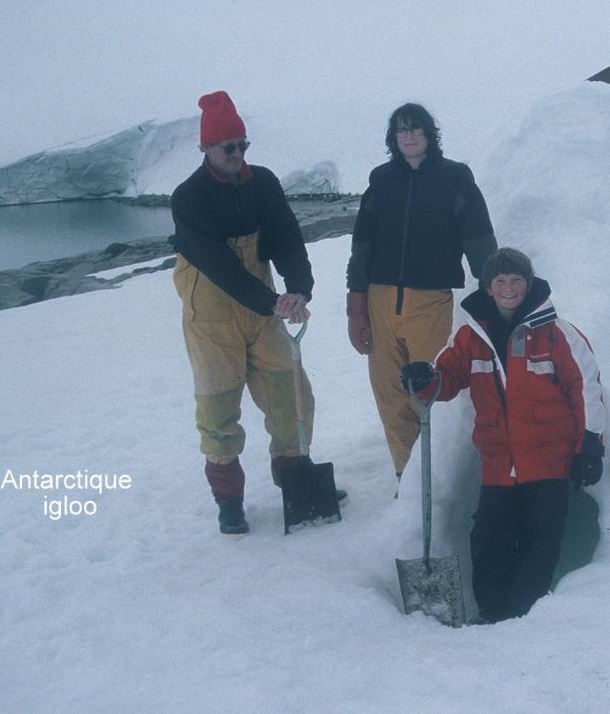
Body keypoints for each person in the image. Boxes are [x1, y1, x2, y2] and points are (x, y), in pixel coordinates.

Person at [402, 247, 607, 622]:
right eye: (500, 281)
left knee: (540, 539)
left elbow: (586, 390)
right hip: (499, 462)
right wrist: (424, 381)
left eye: (516, 280)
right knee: (488, 539)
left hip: (548, 460)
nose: (509, 288)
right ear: (488, 287)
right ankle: (494, 612)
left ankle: (524, 615)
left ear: (528, 285)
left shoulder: (557, 334)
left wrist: (589, 445)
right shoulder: (469, 336)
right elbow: (444, 381)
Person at [171, 90, 317, 535]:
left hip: (260, 304)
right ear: (206, 149)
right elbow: (217, 264)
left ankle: (296, 484)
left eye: (242, 145)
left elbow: (286, 238)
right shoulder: (188, 197)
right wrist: (270, 301)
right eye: (228, 147)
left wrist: (298, 291)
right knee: (218, 405)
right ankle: (229, 501)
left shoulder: (264, 183)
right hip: (212, 309)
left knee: (291, 394)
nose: (237, 154)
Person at [346, 103, 497, 480]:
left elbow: (478, 237)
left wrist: (492, 287)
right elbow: (362, 243)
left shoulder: (455, 178)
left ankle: (432, 481)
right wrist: (356, 304)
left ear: (430, 134)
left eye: (416, 129)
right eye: (401, 130)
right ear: (393, 139)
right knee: (390, 395)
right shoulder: (381, 180)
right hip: (381, 298)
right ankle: (406, 479)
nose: (409, 136)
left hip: (430, 300)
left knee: (428, 390)